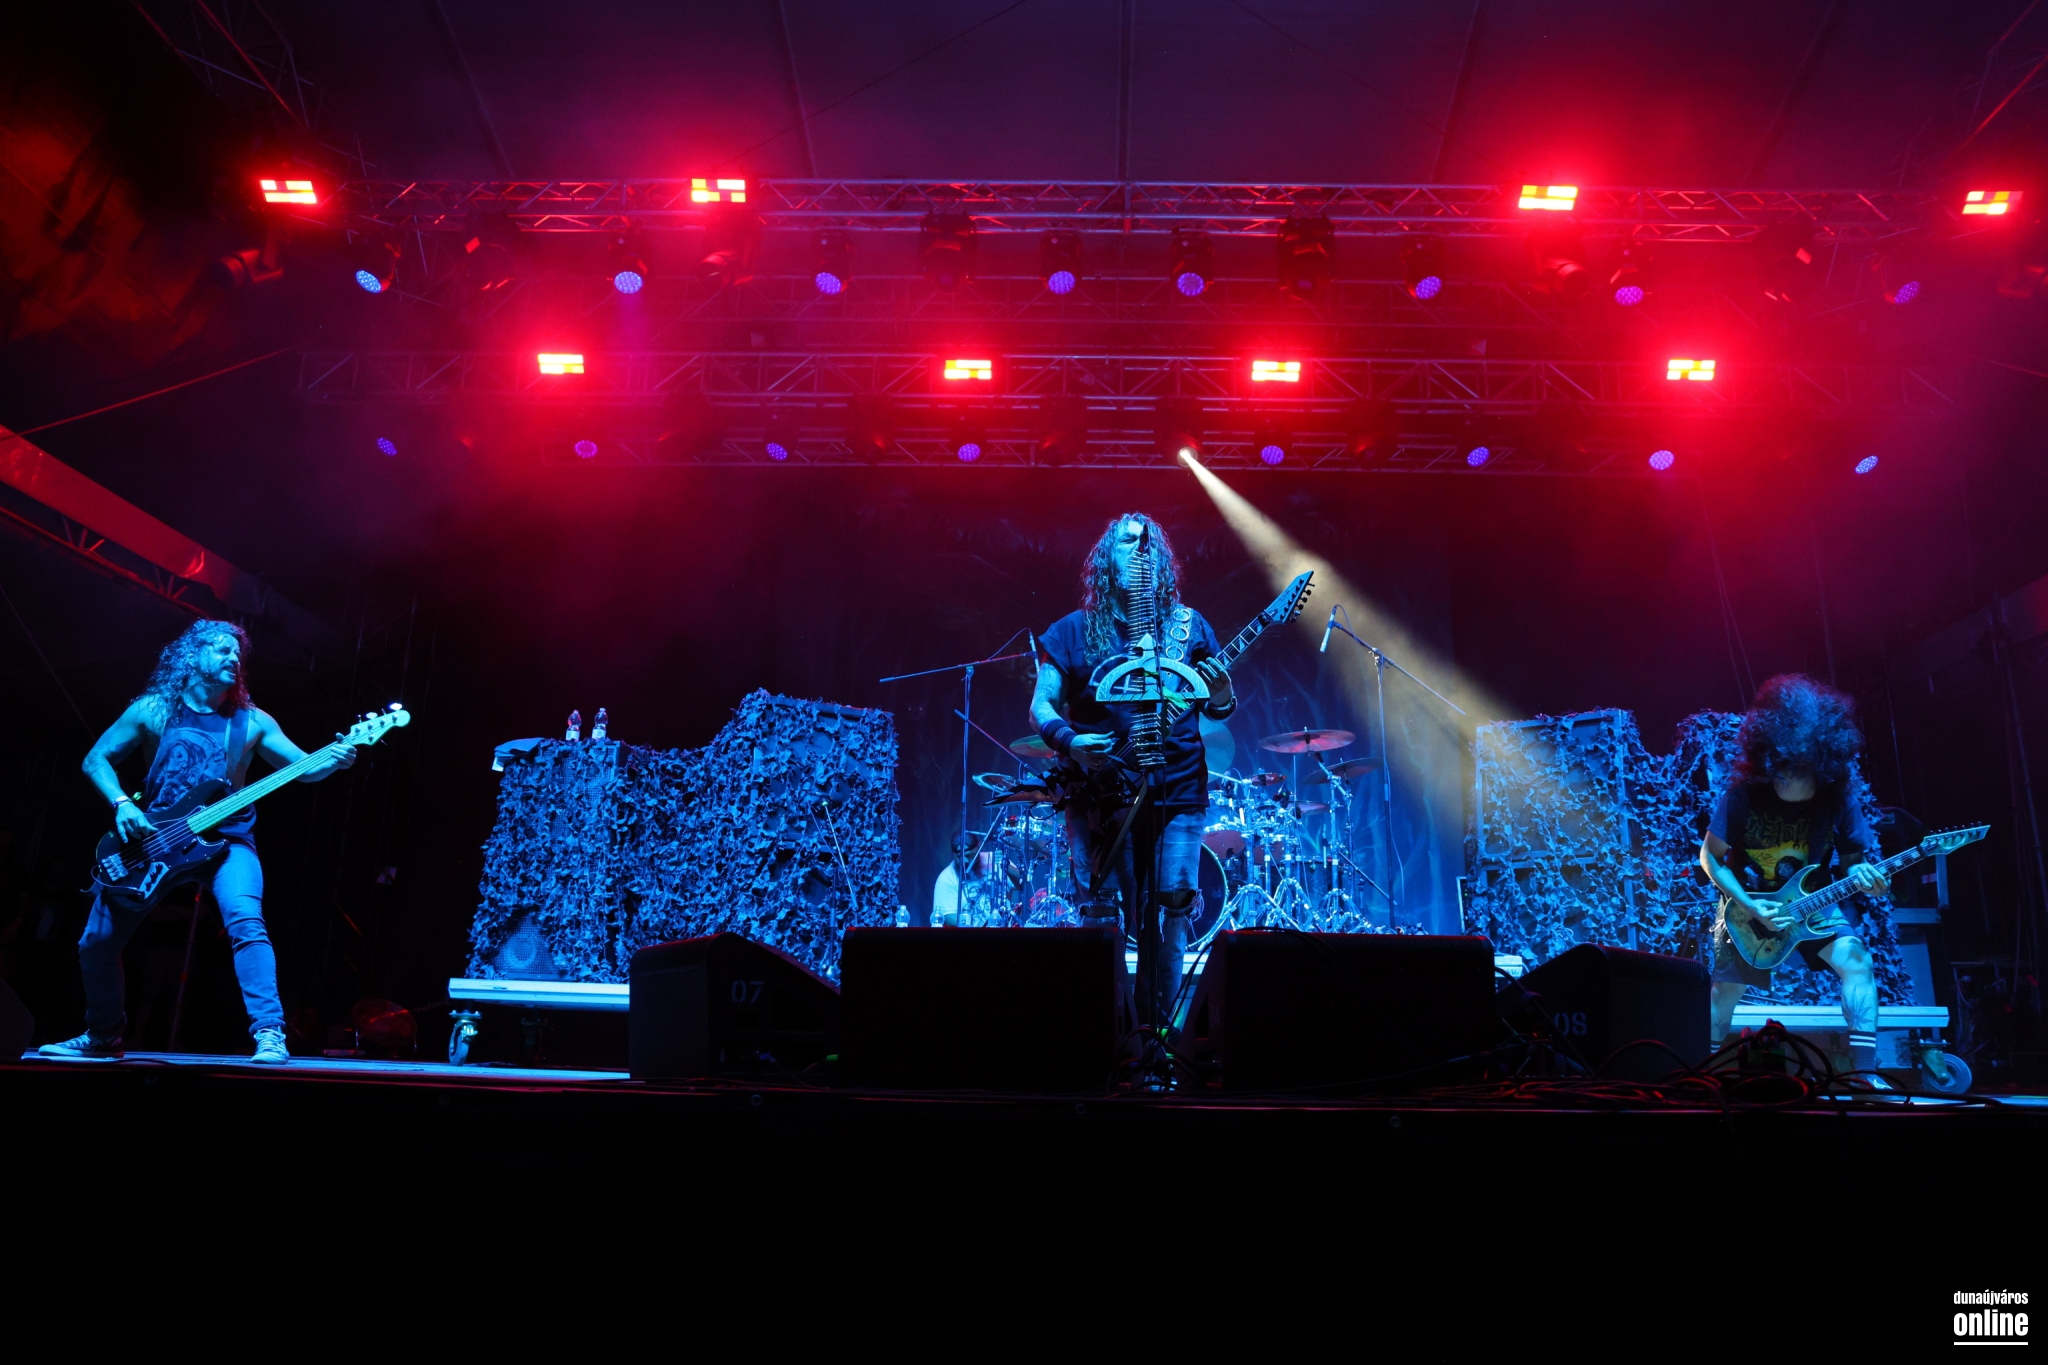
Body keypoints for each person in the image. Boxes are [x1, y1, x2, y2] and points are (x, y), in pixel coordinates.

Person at [39, 620, 355, 1062]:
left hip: (227, 841)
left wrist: (335, 759)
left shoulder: (253, 721)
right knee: (96, 943)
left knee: (246, 922)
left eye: (237, 653)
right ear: (192, 655)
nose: (234, 658)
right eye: (222, 650)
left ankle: (270, 1033)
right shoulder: (153, 710)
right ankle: (104, 1034)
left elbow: (304, 769)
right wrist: (122, 804)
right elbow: (96, 760)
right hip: (156, 842)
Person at [1031, 513, 1233, 1056]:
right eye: (1127, 543)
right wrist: (1071, 741)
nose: (1139, 551)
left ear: (1161, 560)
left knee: (1173, 907)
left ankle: (1162, 1040)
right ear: (1107, 557)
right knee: (1103, 911)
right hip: (1100, 792)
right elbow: (1041, 705)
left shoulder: (1189, 626)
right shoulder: (1072, 631)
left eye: (1148, 545)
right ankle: (1111, 1040)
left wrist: (1220, 692)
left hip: (1178, 789)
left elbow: (1218, 705)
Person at [1698, 674, 1889, 1079]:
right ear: (1770, 760)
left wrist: (1866, 877)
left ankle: (1864, 1075)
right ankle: (1704, 1075)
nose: (1791, 778)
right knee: (1724, 992)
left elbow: (1853, 863)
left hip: (1814, 902)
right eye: (1784, 768)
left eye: (1804, 769)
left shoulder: (1838, 799)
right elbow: (1710, 857)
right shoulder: (1743, 797)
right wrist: (1750, 905)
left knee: (1857, 962)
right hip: (1747, 909)